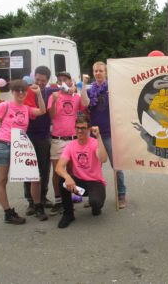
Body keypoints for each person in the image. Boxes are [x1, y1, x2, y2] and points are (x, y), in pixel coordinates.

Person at [0, 79, 46, 224]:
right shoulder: (4, 105)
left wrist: (38, 94)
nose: (20, 93)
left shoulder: (26, 108)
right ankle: (8, 213)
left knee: (34, 177)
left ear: (26, 93)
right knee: (2, 180)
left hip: (21, 146)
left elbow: (42, 111)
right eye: (17, 90)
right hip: (2, 145)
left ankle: (38, 206)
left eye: (23, 90)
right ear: (12, 92)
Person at [54, 115, 108, 228]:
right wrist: (68, 177)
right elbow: (59, 167)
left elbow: (103, 159)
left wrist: (98, 137)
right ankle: (68, 214)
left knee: (96, 203)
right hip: (79, 185)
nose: (79, 131)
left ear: (89, 129)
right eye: (77, 127)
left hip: (95, 183)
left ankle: (95, 206)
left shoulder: (94, 143)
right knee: (61, 180)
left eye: (83, 128)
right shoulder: (71, 145)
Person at [87, 61, 127, 208]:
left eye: (100, 71)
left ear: (106, 72)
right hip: (94, 134)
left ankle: (121, 195)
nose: (98, 73)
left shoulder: (113, 88)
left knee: (116, 165)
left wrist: (115, 97)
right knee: (91, 167)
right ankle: (93, 196)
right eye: (95, 71)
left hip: (109, 133)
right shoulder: (90, 90)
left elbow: (123, 105)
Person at [49, 71, 89, 215]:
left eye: (65, 80)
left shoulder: (76, 97)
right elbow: (52, 115)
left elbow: (85, 106)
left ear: (71, 81)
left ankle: (72, 195)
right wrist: (54, 100)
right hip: (58, 139)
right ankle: (59, 200)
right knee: (57, 172)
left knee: (73, 170)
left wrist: (80, 88)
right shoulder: (54, 96)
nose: (62, 83)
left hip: (73, 139)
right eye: (60, 81)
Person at [23, 66, 57, 215]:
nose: (40, 82)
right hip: (28, 135)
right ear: (34, 78)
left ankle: (42, 197)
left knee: (44, 169)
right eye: (37, 79)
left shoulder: (49, 92)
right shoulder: (26, 91)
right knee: (28, 170)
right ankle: (31, 201)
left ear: (48, 81)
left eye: (43, 81)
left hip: (44, 136)